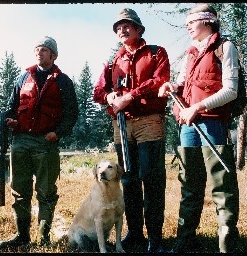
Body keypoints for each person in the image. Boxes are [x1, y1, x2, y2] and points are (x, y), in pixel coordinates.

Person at [158, 4, 240, 253]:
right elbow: (183, 84)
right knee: (189, 184)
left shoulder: (226, 47)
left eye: (192, 22)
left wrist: (198, 107)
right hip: (189, 126)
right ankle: (185, 241)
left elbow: (231, 90)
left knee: (221, 186)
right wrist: (171, 87)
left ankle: (227, 245)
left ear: (207, 21)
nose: (188, 27)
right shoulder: (191, 52)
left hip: (213, 124)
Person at [93, 8, 170, 253]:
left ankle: (155, 239)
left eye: (127, 26)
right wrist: (110, 95)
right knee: (129, 179)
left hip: (149, 121)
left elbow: (159, 81)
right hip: (122, 125)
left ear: (138, 29)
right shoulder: (113, 61)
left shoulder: (156, 53)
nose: (121, 30)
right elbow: (98, 92)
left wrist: (129, 97)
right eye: (118, 28)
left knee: (152, 178)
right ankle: (135, 234)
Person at [0, 36, 79, 248]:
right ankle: (22, 237)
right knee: (19, 190)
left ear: (53, 55)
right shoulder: (23, 77)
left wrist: (58, 133)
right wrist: (11, 120)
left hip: (46, 142)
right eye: (37, 50)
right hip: (20, 141)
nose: (39, 53)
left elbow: (72, 114)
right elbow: (11, 106)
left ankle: (44, 238)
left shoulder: (63, 81)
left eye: (43, 50)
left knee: (46, 192)